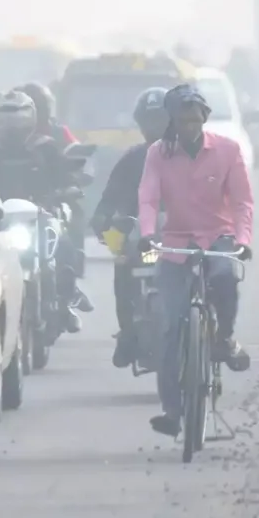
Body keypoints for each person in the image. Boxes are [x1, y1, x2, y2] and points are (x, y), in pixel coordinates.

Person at [138, 82, 254, 436]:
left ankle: (225, 338)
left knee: (226, 277)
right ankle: (172, 412)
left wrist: (243, 240)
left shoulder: (227, 150)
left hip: (218, 237)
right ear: (171, 121)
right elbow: (148, 197)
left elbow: (242, 202)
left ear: (204, 118)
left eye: (195, 119)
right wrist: (147, 232)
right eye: (182, 120)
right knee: (170, 329)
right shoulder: (158, 153)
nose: (189, 126)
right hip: (175, 243)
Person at [0, 89, 93, 328]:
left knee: (64, 246)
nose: (13, 123)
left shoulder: (45, 147)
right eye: (7, 116)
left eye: (18, 116)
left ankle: (66, 299)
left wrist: (69, 187)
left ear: (30, 116)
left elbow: (62, 174)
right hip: (2, 218)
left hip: (41, 214)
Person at [89, 87, 172, 367]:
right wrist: (102, 217)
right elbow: (111, 194)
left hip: (185, 238)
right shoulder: (133, 158)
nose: (155, 127)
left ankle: (213, 331)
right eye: (149, 121)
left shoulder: (193, 155)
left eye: (161, 120)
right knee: (124, 266)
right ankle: (127, 332)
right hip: (144, 238)